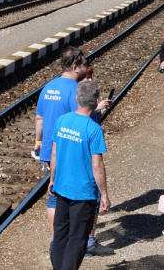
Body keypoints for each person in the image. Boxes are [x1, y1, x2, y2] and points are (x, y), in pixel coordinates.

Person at [34, 49, 112, 255]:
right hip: (74, 148)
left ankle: (56, 241)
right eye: (85, 65)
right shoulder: (75, 90)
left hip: (53, 148)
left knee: (55, 195)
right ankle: (88, 243)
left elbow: (39, 118)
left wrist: (38, 141)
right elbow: (81, 117)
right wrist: (98, 109)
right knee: (89, 194)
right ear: (75, 66)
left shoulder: (48, 86)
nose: (87, 68)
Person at [49, 81, 111, 270]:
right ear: (96, 102)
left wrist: (52, 180)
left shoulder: (62, 120)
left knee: (60, 236)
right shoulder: (93, 129)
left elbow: (54, 154)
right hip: (83, 193)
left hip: (61, 188)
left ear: (76, 99)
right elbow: (97, 164)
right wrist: (104, 194)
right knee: (77, 240)